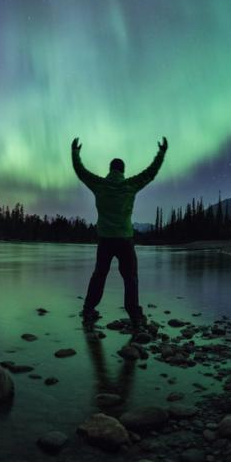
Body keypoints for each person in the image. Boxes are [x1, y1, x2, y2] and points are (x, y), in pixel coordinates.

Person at [71, 136, 168, 328]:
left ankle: (89, 310)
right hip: (125, 240)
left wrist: (75, 153)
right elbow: (150, 173)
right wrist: (161, 153)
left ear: (110, 169)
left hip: (105, 240)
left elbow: (81, 173)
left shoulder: (99, 185)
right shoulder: (130, 185)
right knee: (130, 277)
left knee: (99, 275)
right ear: (123, 171)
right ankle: (134, 316)